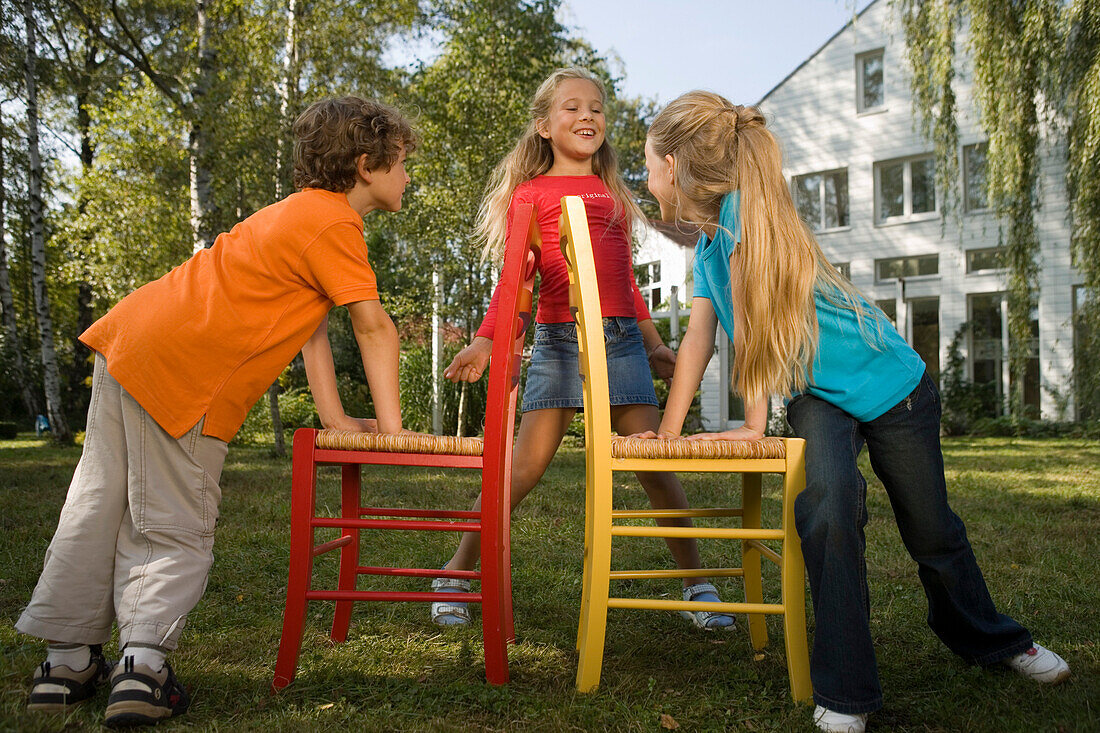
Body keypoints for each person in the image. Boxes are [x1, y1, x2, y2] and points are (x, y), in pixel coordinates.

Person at [637, 90, 1070, 733]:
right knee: (828, 513)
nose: (647, 180)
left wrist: (756, 422)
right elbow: (703, 335)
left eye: (647, 165)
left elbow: (758, 323)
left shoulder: (745, 220)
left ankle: (994, 639)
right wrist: (669, 432)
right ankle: (844, 690)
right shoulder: (705, 246)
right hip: (820, 396)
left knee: (932, 531)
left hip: (893, 384)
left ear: (673, 166)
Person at [18, 96, 415, 727]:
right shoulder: (336, 224)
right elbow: (374, 329)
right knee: (173, 517)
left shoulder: (296, 216)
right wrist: (395, 432)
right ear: (367, 165)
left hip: (130, 341)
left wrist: (336, 418)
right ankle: (142, 668)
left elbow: (311, 329)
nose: (408, 177)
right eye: (401, 164)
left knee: (99, 502)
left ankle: (66, 663)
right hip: (187, 369)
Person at [432, 68, 734, 632]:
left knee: (654, 466)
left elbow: (623, 283)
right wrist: (483, 340)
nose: (587, 116)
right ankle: (456, 570)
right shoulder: (530, 194)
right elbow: (514, 280)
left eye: (595, 107)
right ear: (544, 126)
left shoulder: (614, 194)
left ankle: (698, 582)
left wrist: (655, 347)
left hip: (620, 342)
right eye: (571, 108)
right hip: (556, 343)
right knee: (523, 469)